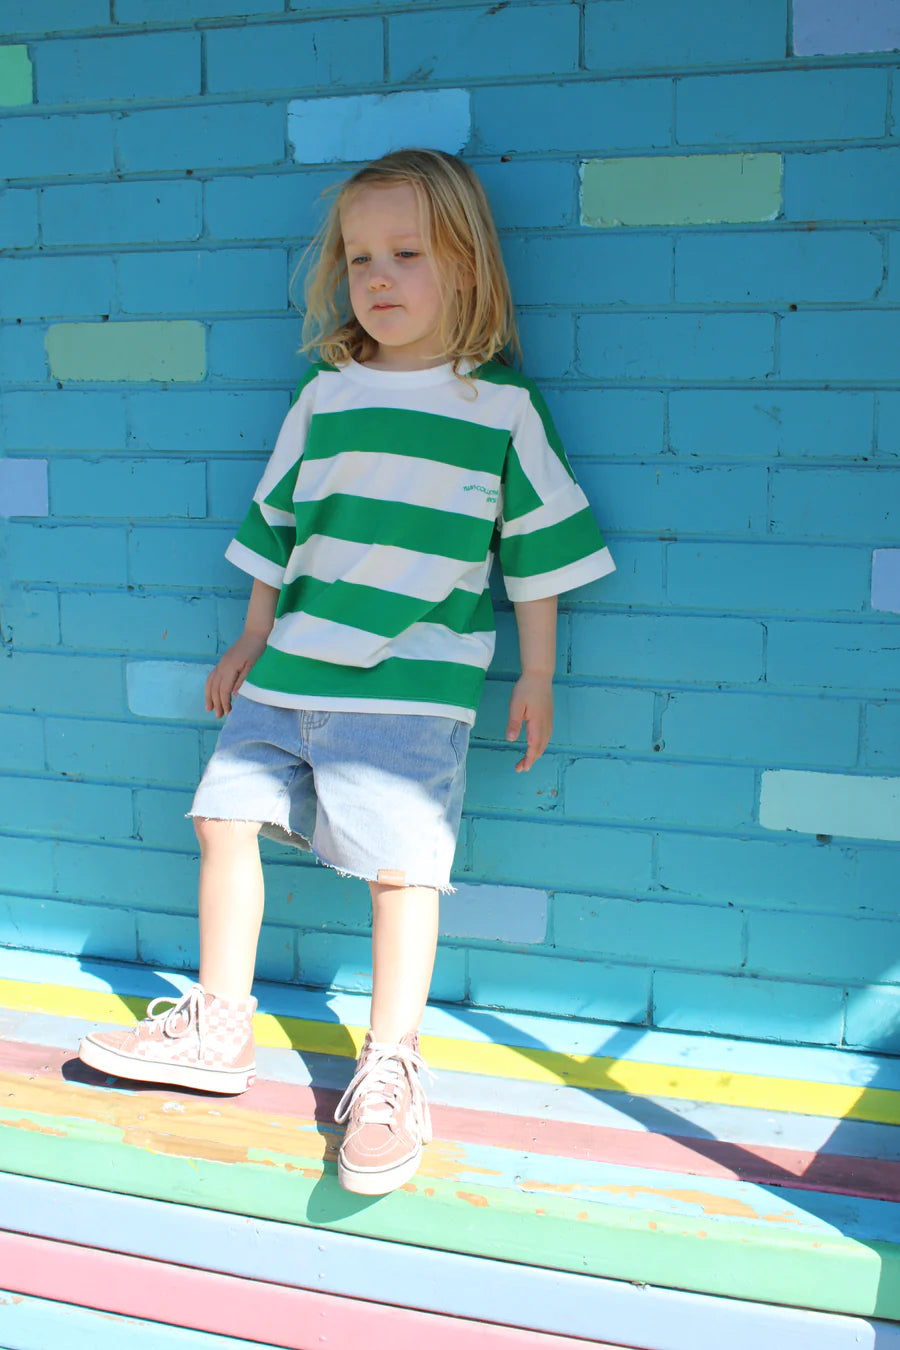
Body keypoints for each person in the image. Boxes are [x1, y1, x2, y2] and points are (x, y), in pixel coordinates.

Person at [78, 148, 615, 1196]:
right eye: (361, 256)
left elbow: (536, 550)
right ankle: (220, 1028)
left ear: (466, 270)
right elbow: (279, 527)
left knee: (403, 870)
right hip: (288, 672)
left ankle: (391, 1065)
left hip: (412, 689)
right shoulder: (324, 396)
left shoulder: (499, 410)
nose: (378, 276)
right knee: (222, 815)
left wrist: (538, 672)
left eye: (407, 253)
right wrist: (248, 637)